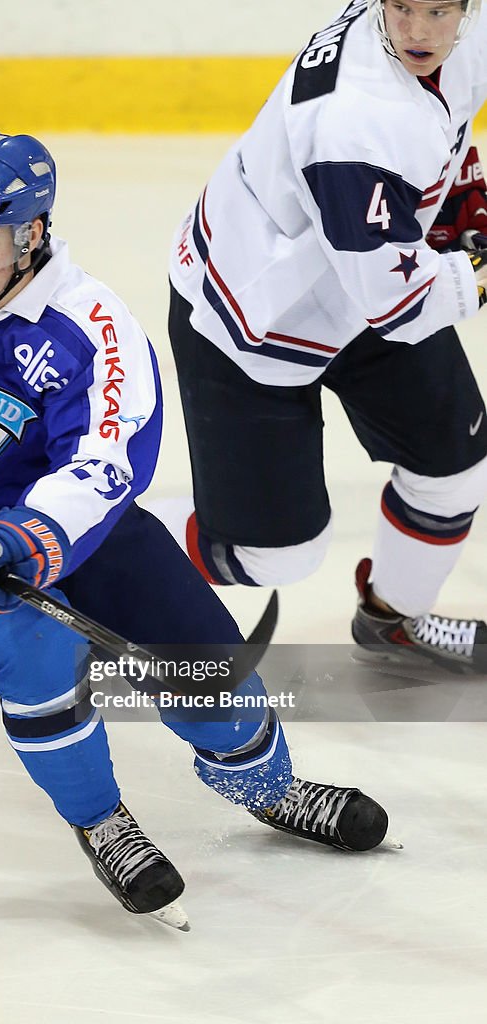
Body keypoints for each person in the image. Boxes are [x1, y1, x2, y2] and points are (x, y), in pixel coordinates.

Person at [0, 127, 389, 930]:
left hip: (71, 529)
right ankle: (101, 821)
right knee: (36, 652)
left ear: (32, 233)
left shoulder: (87, 327)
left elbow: (104, 463)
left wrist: (19, 539)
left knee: (206, 668)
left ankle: (268, 790)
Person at [162, 0, 487, 675]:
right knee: (273, 555)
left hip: (361, 272)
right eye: (401, 7)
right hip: (255, 315)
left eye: (437, 9)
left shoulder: (458, 37)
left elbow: (441, 120)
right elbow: (399, 307)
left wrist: (457, 187)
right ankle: (83, 539)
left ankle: (392, 621)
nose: (418, 30)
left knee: (453, 470)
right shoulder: (354, 119)